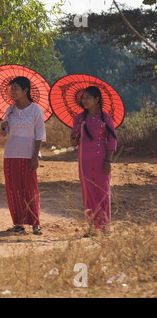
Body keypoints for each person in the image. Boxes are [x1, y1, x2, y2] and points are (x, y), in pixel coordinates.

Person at [0, 76, 45, 235]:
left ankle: (35, 223)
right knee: (13, 189)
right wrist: (3, 127)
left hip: (28, 155)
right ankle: (18, 223)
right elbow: (3, 135)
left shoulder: (36, 110)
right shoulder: (10, 110)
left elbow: (39, 135)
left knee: (30, 189)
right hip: (11, 154)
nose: (13, 92)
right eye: (12, 89)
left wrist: (35, 156)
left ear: (25, 90)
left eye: (16, 89)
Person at [70, 86, 117, 236]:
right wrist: (73, 137)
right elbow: (73, 142)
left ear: (97, 100)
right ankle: (92, 227)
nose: (84, 100)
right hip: (84, 160)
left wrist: (108, 161)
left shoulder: (105, 118)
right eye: (83, 97)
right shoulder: (79, 119)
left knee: (103, 191)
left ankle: (105, 227)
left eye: (88, 97)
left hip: (101, 159)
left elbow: (112, 140)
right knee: (88, 193)